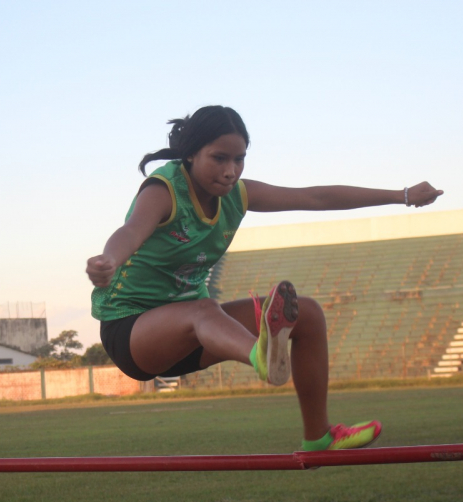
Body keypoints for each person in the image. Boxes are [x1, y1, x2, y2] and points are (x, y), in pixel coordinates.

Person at [87, 106, 443, 451]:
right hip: (132, 332)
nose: (231, 171)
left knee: (308, 314)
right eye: (219, 158)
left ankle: (319, 436)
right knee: (203, 308)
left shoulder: (238, 195)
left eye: (239, 159)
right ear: (192, 154)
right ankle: (261, 355)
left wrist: (403, 195)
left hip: (194, 337)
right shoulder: (164, 191)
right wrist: (110, 260)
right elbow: (131, 231)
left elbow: (315, 197)